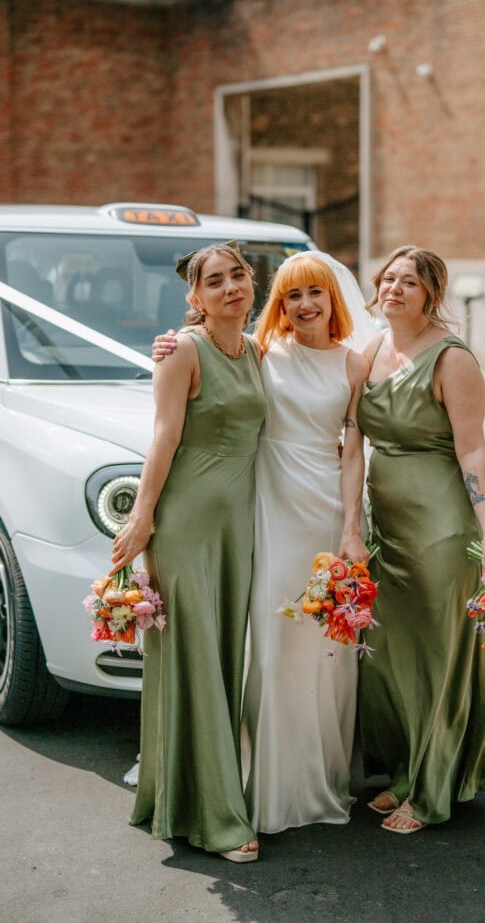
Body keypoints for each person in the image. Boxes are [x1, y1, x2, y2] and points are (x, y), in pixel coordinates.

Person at [151, 251, 376, 835]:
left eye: (315, 293)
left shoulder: (354, 364)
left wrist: (352, 528)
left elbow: (353, 449)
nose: (305, 304)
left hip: (325, 509)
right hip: (268, 507)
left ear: (333, 298)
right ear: (279, 302)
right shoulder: (260, 351)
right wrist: (167, 343)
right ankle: (266, 786)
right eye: (293, 294)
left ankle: (319, 779)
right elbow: (206, 359)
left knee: (324, 652)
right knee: (271, 644)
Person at [111, 243, 264, 862]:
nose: (231, 287)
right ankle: (217, 817)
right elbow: (164, 436)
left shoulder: (255, 350)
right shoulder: (182, 351)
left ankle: (183, 792)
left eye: (238, 275)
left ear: (252, 283)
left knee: (224, 654)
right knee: (194, 655)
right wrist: (142, 518)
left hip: (239, 522)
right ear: (195, 297)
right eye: (215, 281)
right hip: (188, 521)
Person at [348, 245, 485, 834]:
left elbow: (473, 450)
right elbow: (348, 433)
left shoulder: (453, 359)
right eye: (388, 279)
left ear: (431, 294)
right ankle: (404, 771)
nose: (394, 289)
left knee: (438, 656)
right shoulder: (372, 350)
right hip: (387, 529)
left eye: (409, 282)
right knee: (391, 657)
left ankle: (432, 788)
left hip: (441, 529)